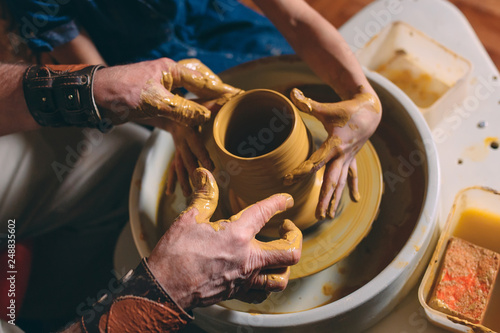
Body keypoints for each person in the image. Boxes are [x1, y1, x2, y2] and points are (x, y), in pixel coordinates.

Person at [0, 0, 382, 331]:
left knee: (284, 60)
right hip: (124, 52)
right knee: (144, 164)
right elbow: (87, 62)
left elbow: (295, 17)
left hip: (206, 22)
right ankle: (50, 307)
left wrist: (363, 97)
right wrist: (167, 119)